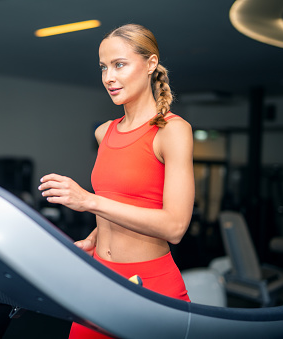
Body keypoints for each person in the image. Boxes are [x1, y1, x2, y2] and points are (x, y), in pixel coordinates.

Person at [38, 24, 194, 339]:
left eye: (119, 64)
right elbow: (125, 199)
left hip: (151, 286)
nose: (109, 77)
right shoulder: (104, 132)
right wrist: (96, 237)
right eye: (103, 67)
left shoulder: (172, 131)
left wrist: (87, 201)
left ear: (151, 64)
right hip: (100, 279)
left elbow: (175, 227)